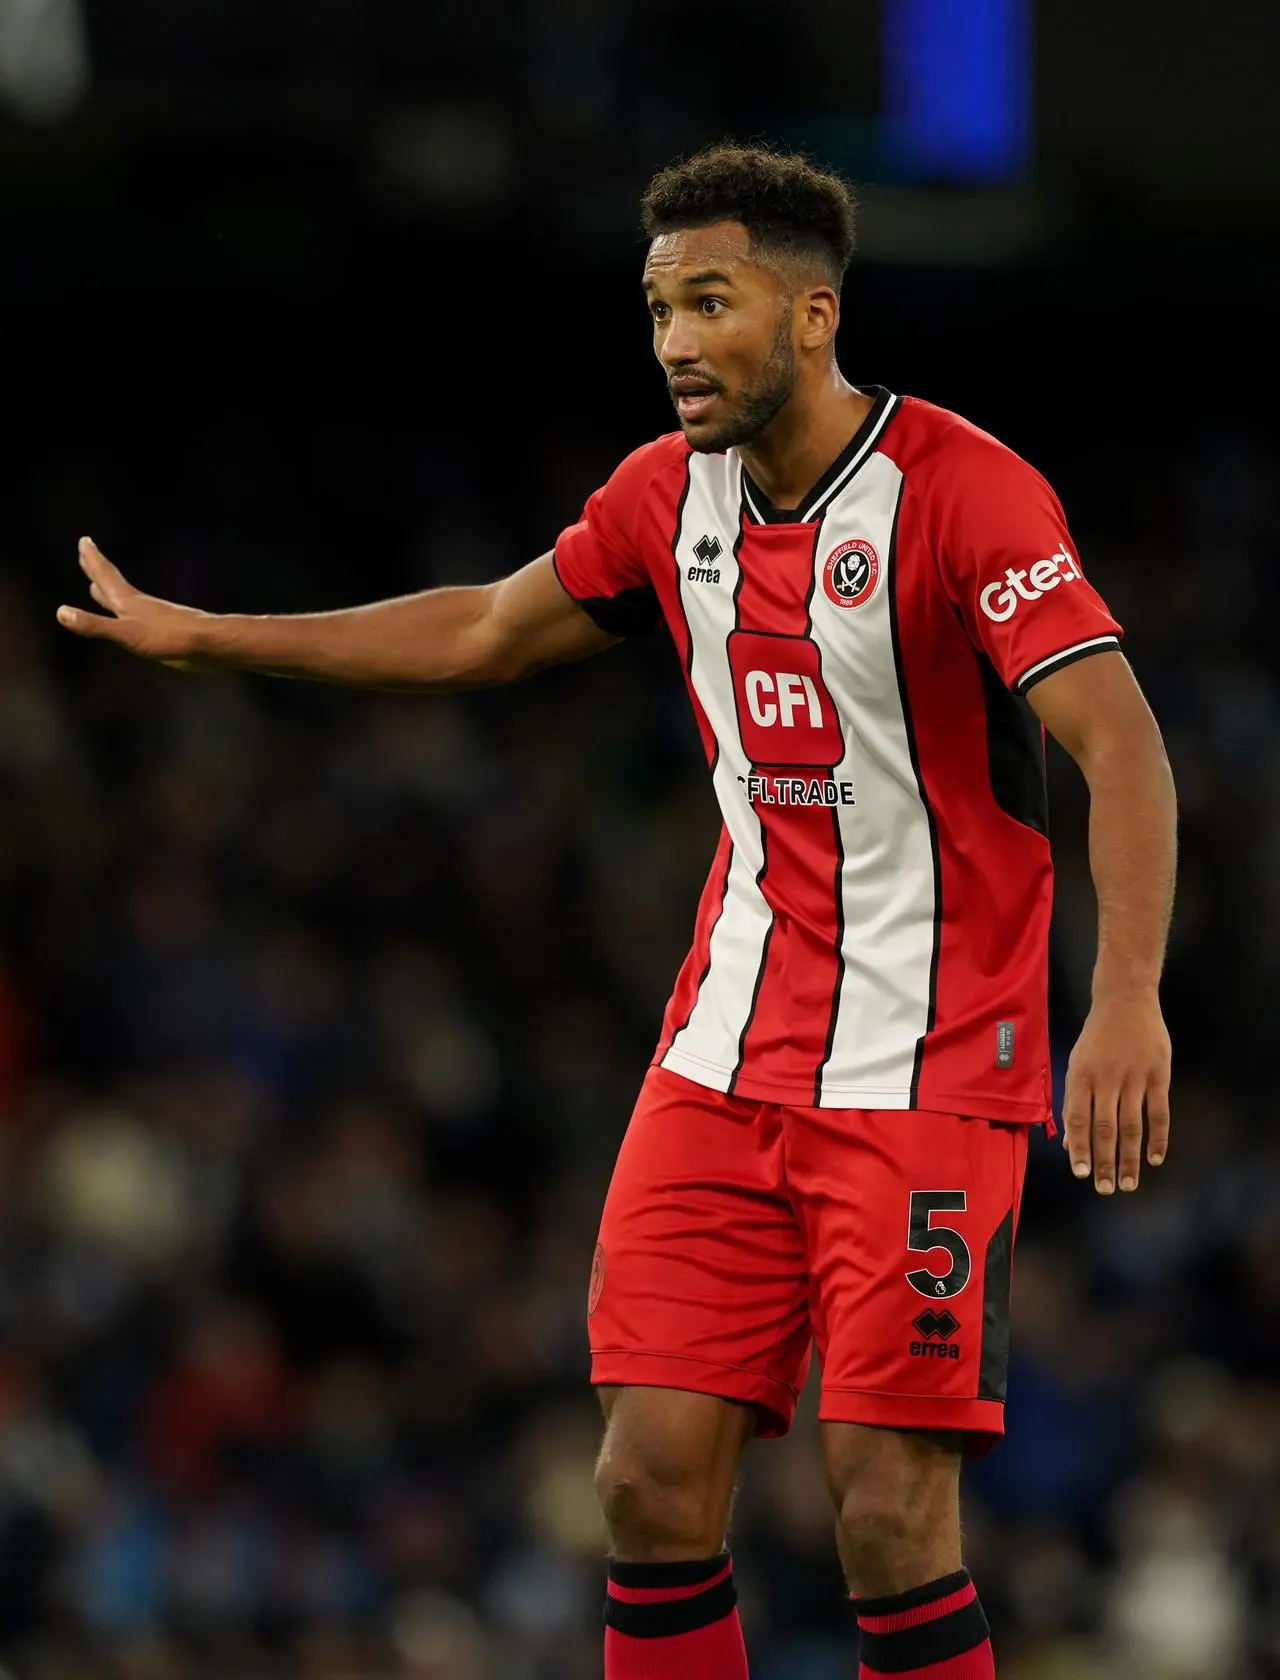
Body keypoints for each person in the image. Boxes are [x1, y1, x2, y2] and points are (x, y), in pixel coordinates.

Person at [57, 144, 1176, 1680]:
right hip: (719, 1061)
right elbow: (485, 627)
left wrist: (1124, 998)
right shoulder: (665, 500)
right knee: (644, 1484)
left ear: (812, 316)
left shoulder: (963, 494)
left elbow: (1120, 744)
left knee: (888, 1513)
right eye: (657, 308)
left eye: (709, 303)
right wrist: (217, 637)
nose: (673, 343)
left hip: (922, 1074)